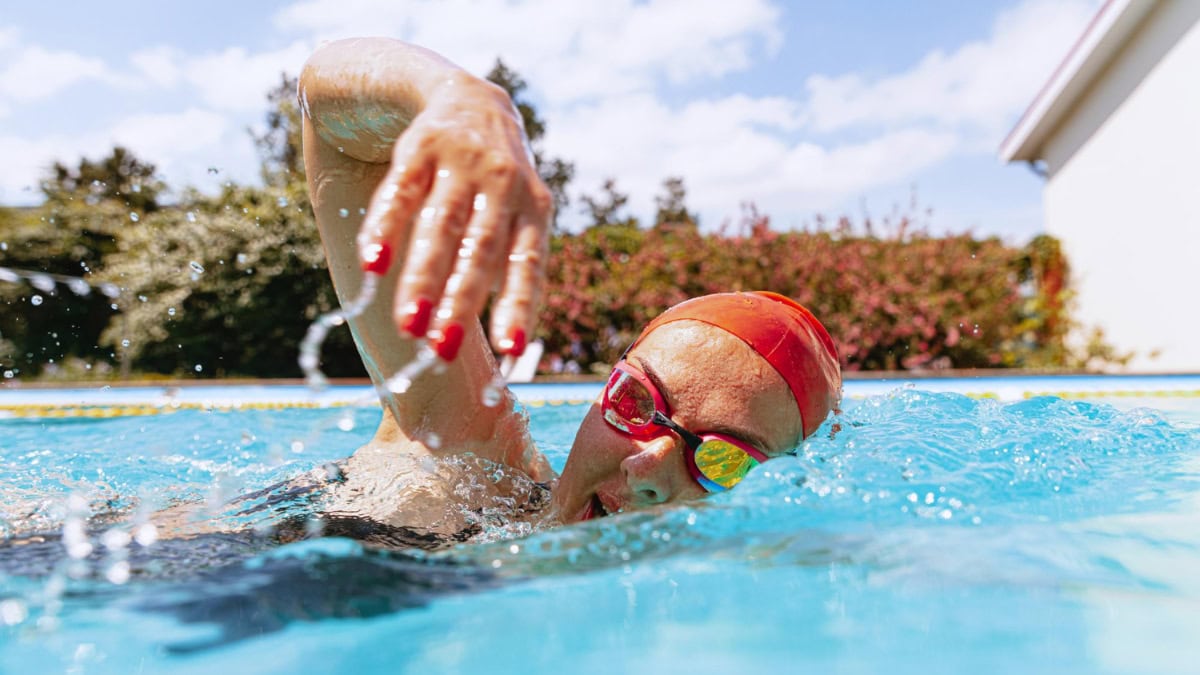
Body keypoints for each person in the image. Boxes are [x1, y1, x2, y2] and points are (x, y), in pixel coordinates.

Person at [298, 38, 842, 542]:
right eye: (635, 402)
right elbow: (334, 134)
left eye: (723, 461)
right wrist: (446, 96)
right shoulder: (469, 459)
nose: (645, 468)